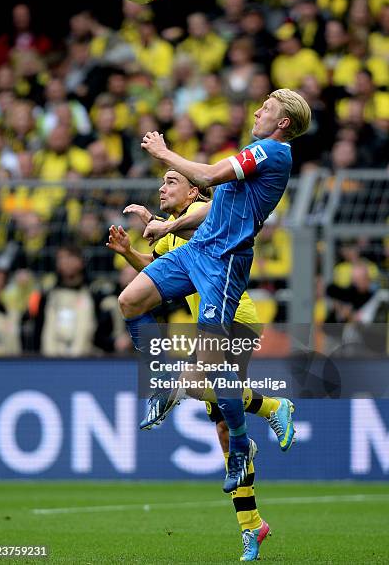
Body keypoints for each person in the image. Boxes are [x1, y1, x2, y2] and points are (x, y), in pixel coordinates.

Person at [118, 89, 310, 510]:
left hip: (224, 264)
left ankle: (244, 448)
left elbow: (205, 180)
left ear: (283, 123)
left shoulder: (273, 153)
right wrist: (168, 227)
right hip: (198, 250)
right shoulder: (253, 152)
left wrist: (165, 153)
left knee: (202, 380)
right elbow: (212, 205)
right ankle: (163, 384)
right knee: (130, 301)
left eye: (268, 109)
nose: (258, 111)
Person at [108, 168, 296, 560]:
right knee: (226, 432)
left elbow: (199, 232)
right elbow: (159, 273)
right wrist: (129, 251)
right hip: (207, 326)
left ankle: (272, 406)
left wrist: (162, 225)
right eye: (162, 182)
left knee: (189, 384)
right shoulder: (173, 230)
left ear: (194, 190)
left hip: (236, 320)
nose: (162, 187)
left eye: (171, 181)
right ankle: (252, 527)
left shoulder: (213, 214)